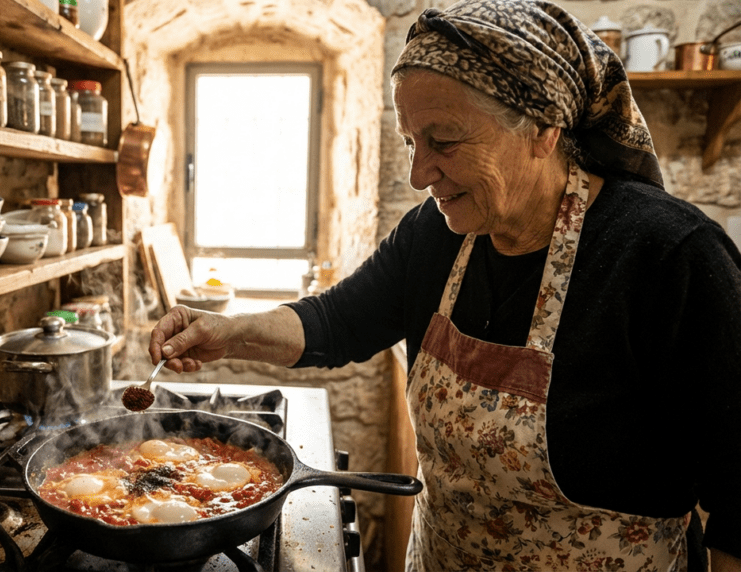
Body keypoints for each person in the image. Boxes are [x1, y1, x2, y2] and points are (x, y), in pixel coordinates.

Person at [149, 0, 741, 569]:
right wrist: (225, 332)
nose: (417, 174)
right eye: (411, 141)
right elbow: (337, 321)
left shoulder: (669, 257)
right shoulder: (437, 234)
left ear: (542, 128)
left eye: (444, 141)